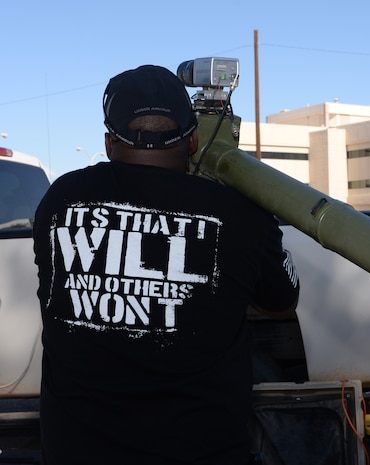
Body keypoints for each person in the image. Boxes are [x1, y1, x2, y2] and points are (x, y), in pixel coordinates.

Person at [33, 65, 300, 465]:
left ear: (109, 143)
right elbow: (282, 301)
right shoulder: (239, 213)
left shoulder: (61, 199)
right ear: (192, 139)